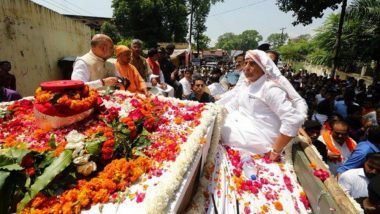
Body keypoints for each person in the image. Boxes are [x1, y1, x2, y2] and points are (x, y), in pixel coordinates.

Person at [221, 50, 305, 160]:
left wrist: (275, 151)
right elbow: (233, 105)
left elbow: (293, 120)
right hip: (243, 126)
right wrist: (216, 112)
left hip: (261, 138)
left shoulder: (270, 89)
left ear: (263, 67)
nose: (246, 67)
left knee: (218, 129)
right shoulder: (247, 85)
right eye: (245, 63)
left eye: (252, 63)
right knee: (213, 122)